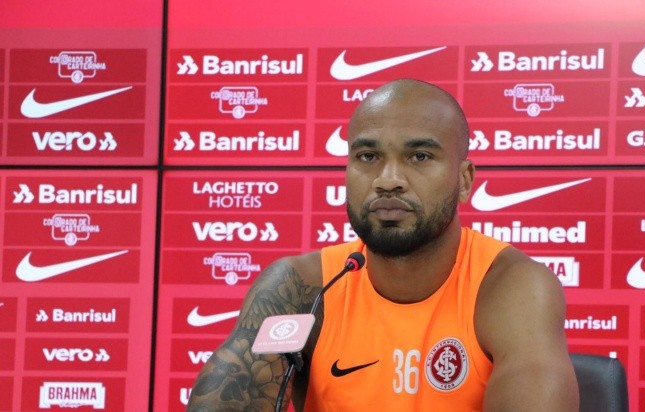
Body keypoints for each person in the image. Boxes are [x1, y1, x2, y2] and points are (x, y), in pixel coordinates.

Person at [186, 79, 579, 411]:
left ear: (464, 180)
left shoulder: (511, 288)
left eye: (419, 156)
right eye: (368, 156)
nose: (388, 180)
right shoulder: (301, 287)